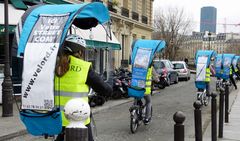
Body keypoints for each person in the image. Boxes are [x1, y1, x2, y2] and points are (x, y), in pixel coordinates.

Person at [54, 34, 112, 141]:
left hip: (55, 119)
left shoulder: (55, 65)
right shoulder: (83, 67)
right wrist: (108, 91)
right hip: (77, 118)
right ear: (80, 52)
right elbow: (104, 88)